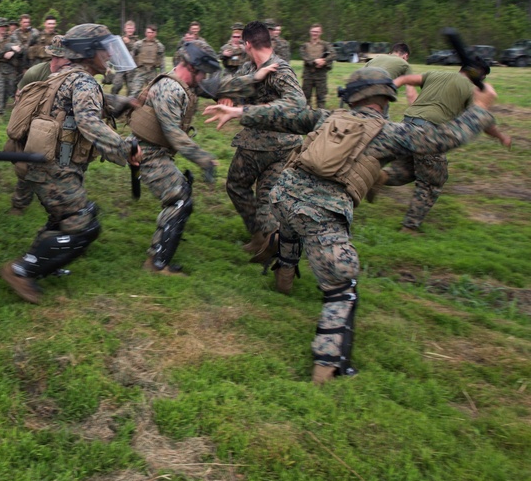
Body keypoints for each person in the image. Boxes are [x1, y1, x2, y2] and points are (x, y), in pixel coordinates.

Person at [203, 67, 499, 384]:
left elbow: (286, 114)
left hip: (282, 198)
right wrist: (480, 109)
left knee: (291, 233)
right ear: (385, 98)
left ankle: (283, 284)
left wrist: (238, 110)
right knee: (342, 287)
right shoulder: (390, 132)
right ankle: (327, 368)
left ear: (354, 96)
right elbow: (444, 138)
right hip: (320, 213)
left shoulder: (328, 117)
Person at [0, 24, 140, 304]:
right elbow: (88, 121)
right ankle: (21, 270)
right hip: (55, 167)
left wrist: (126, 102)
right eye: (104, 50)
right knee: (82, 224)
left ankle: (44, 262)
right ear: (89, 52)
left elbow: (87, 106)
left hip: (46, 161)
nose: (109, 55)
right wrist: (125, 149)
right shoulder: (84, 81)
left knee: (63, 218)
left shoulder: (66, 75)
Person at [387, 57, 510, 233]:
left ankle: (377, 179)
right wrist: (501, 137)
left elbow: (406, 79)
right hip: (429, 134)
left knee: (407, 170)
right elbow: (483, 123)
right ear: (480, 76)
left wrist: (388, 87)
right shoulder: (474, 90)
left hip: (406, 126)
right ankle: (410, 228)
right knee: (432, 182)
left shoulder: (437, 74)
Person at [216, 21, 306, 262]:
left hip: (269, 145)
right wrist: (254, 78)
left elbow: (297, 104)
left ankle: (268, 239)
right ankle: (268, 239)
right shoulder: (250, 67)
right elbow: (225, 86)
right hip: (271, 146)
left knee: (247, 189)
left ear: (247, 44)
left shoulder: (280, 70)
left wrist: (248, 111)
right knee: (256, 192)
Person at [128, 41, 220, 274]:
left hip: (153, 150)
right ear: (192, 68)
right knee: (179, 200)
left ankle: (161, 247)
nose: (203, 79)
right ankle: (157, 264)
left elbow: (209, 89)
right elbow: (173, 134)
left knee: (181, 193)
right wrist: (204, 159)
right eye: (202, 73)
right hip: (148, 154)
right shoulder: (171, 90)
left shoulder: (174, 81)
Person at [9, 39, 70, 215]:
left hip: (62, 127)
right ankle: (19, 204)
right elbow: (19, 99)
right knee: (28, 166)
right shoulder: (36, 72)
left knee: (65, 164)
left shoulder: (72, 75)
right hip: (37, 127)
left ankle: (62, 202)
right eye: (56, 56)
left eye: (63, 57)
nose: (58, 61)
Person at [299, 23, 337, 109]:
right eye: (313, 31)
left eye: (317, 31)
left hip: (321, 75)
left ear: (321, 32)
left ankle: (321, 117)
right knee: (306, 97)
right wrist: (315, 61)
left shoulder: (325, 45)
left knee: (321, 98)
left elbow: (333, 54)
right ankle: (307, 117)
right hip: (308, 75)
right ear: (310, 32)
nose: (314, 33)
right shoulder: (305, 45)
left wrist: (324, 61)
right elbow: (304, 56)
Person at [129, 25, 165, 96]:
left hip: (152, 71)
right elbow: (132, 56)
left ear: (155, 33)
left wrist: (162, 74)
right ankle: (130, 106)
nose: (150, 34)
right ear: (146, 33)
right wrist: (131, 70)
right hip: (141, 71)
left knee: (155, 92)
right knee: (135, 92)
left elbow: (162, 61)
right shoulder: (138, 44)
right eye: (148, 32)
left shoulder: (159, 46)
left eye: (152, 32)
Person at [110, 21, 137, 95]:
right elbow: (113, 53)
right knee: (117, 85)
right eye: (128, 28)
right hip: (120, 66)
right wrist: (110, 66)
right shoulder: (119, 40)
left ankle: (129, 104)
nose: (130, 30)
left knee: (131, 88)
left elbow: (136, 51)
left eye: (131, 28)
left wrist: (129, 43)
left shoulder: (137, 41)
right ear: (125, 29)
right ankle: (112, 101)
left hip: (131, 67)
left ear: (134, 29)